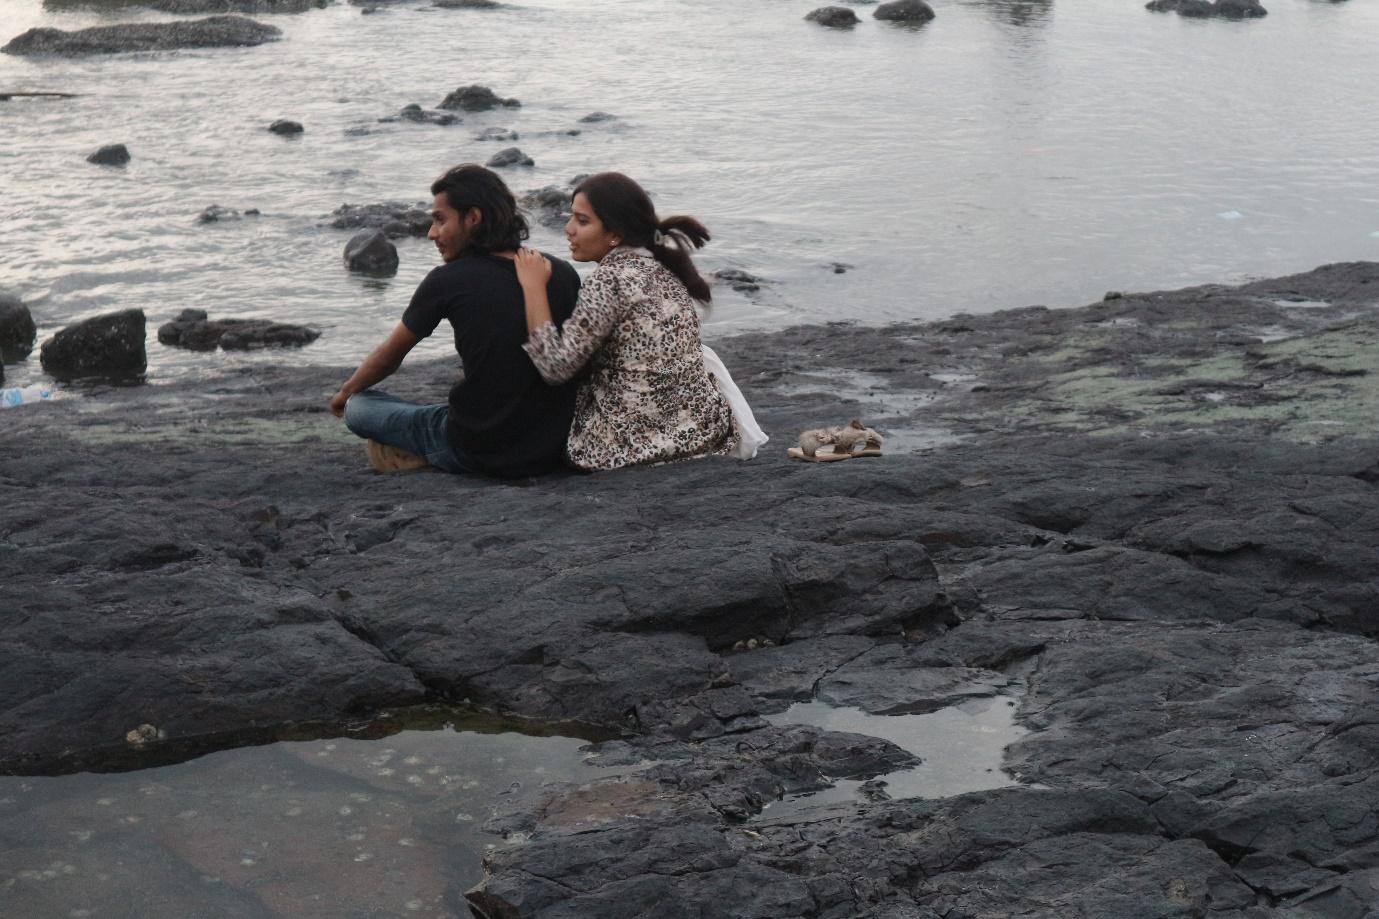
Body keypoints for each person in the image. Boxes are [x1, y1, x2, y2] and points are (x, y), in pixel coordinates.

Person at [329, 164, 581, 477]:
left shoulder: (446, 281)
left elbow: (389, 359)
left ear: (473, 218)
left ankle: (422, 452)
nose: (431, 233)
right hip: (553, 448)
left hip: (477, 449)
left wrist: (345, 393)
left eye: (439, 219)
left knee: (361, 407)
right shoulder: (561, 272)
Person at [514, 172, 752, 471]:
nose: (568, 229)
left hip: (628, 447)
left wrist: (532, 286)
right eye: (571, 218)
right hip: (703, 433)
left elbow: (555, 368)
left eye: (582, 221)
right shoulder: (662, 269)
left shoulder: (609, 279)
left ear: (615, 234)